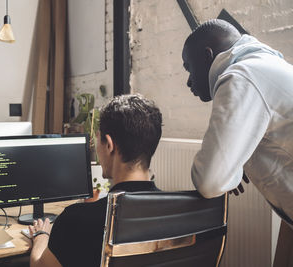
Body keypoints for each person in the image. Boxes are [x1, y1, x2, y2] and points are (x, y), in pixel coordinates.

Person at [182, 19, 293, 264]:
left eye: (189, 68)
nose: (189, 81)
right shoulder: (263, 64)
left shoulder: (242, 76)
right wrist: (236, 161)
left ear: (207, 56)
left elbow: (210, 180)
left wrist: (228, 171)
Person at [27, 94, 163, 267]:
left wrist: (41, 237)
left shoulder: (75, 219)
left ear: (109, 145)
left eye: (97, 138)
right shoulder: (177, 212)